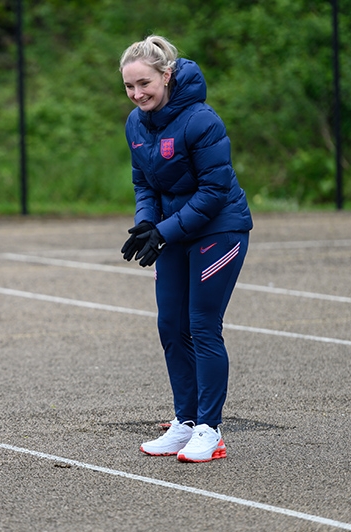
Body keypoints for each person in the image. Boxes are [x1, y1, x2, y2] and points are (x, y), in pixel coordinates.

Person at [119, 36, 253, 462]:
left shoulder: (202, 120)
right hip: (175, 230)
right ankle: (186, 423)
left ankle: (211, 430)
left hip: (220, 228)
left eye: (145, 84)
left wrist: (163, 230)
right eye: (129, 87)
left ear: (166, 75)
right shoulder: (135, 124)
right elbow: (145, 182)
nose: (138, 94)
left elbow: (214, 192)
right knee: (170, 326)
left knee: (201, 326)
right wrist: (147, 223)